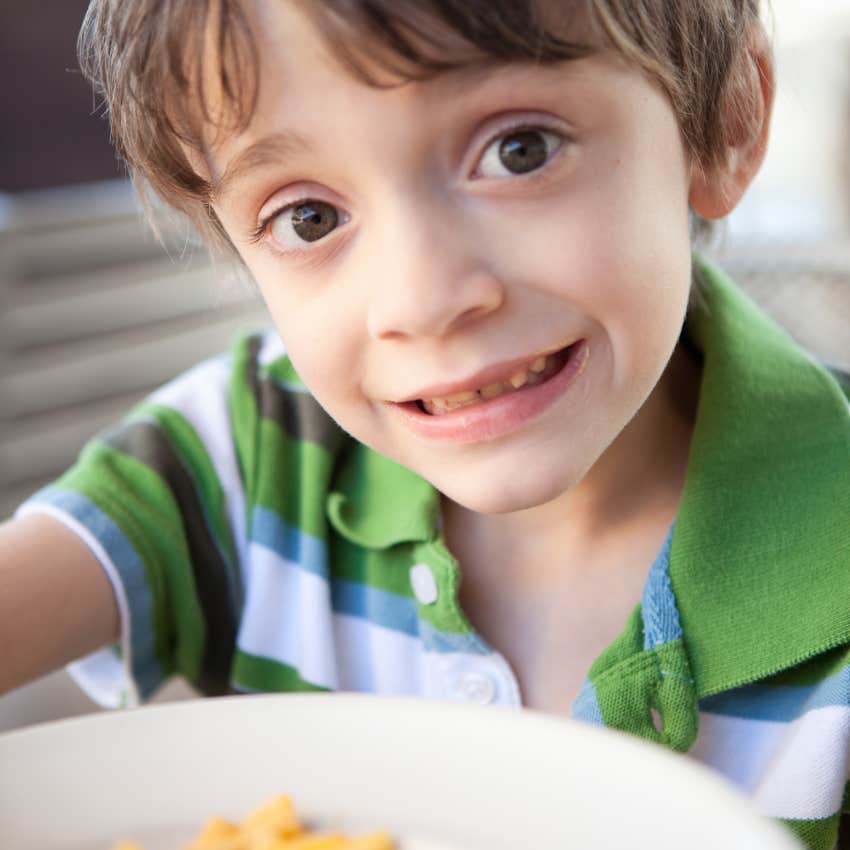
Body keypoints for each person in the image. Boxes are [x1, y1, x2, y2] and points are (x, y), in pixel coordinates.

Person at [1, 0, 848, 845]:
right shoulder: (251, 451)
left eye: (519, 150)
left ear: (729, 119)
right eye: (309, 217)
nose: (421, 300)